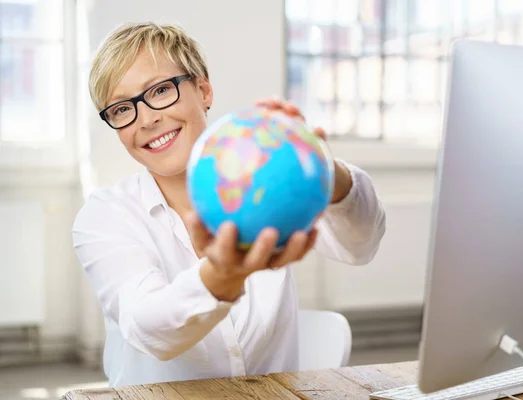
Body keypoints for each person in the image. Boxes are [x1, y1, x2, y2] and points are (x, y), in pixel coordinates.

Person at [72, 22, 386, 388]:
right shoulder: (104, 216)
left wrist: (320, 168)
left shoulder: (269, 180)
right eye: (122, 109)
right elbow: (148, 328)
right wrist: (223, 277)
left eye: (159, 91)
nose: (147, 118)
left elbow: (361, 245)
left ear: (203, 90)